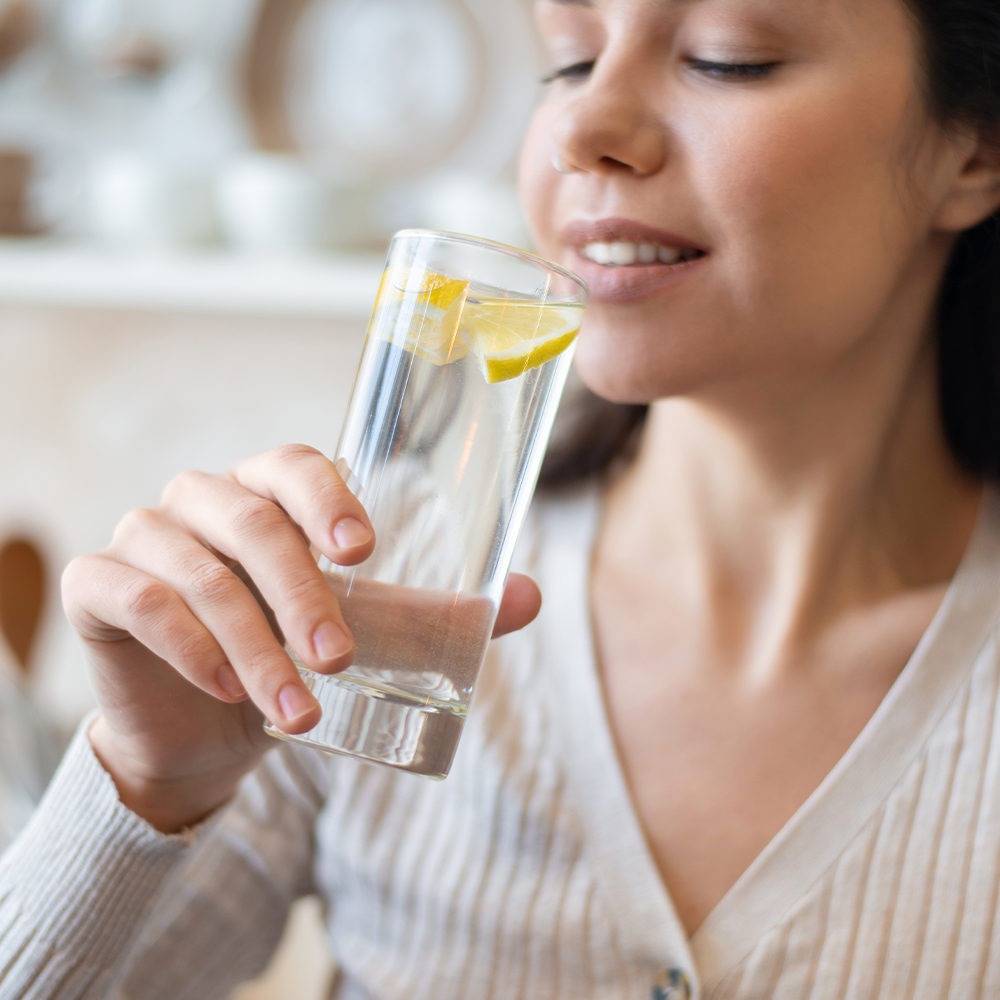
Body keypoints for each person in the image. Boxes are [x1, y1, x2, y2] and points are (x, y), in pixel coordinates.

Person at [2, 0, 1000, 996]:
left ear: (973, 148)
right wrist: (147, 784)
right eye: (568, 62)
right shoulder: (358, 599)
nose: (580, 127)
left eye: (725, 60)